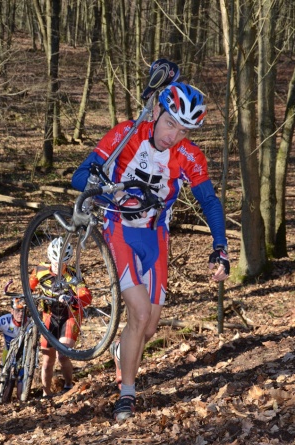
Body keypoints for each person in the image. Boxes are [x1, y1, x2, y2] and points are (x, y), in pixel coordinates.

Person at [71, 81, 230, 421]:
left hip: (156, 236)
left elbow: (210, 202)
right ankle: (126, 394)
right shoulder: (125, 135)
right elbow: (78, 176)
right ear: (156, 112)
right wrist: (105, 192)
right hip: (118, 231)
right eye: (171, 123)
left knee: (149, 327)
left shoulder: (188, 155)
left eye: (184, 130)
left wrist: (221, 246)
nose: (173, 135)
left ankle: (121, 350)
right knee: (140, 314)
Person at [29, 237, 92, 397]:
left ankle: (68, 385)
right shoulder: (40, 270)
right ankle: (45, 393)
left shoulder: (73, 275)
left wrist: (73, 298)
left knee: (62, 354)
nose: (58, 266)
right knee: (47, 360)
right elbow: (28, 286)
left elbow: (86, 296)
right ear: (50, 258)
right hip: (49, 315)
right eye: (56, 262)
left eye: (62, 263)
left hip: (70, 315)